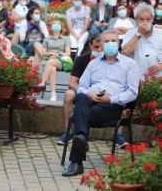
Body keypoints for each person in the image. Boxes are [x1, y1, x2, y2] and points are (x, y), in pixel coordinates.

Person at [62, 30, 140, 177]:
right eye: (106, 41)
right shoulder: (93, 64)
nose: (110, 44)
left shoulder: (130, 64)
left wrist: (111, 99)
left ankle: (76, 159)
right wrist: (89, 93)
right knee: (81, 97)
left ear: (119, 43)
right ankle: (81, 140)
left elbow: (132, 92)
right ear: (101, 44)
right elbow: (81, 86)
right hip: (91, 101)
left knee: (80, 117)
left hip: (112, 106)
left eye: (113, 41)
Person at [56, 34, 104, 145]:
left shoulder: (108, 60)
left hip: (102, 91)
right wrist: (84, 90)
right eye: (96, 47)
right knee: (69, 94)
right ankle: (67, 130)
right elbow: (72, 83)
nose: (99, 50)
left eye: (102, 47)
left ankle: (119, 135)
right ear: (90, 45)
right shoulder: (82, 59)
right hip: (83, 89)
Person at [122, 4, 162, 77]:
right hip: (137, 77)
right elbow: (125, 52)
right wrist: (138, 34)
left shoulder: (160, 34)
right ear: (136, 19)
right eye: (141, 19)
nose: (145, 22)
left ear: (153, 19)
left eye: (148, 19)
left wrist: (161, 65)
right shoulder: (130, 33)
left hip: (158, 79)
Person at [36, 20, 71, 101]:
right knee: (52, 68)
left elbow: (68, 53)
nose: (56, 25)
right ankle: (53, 94)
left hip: (61, 60)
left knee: (50, 62)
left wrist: (58, 55)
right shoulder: (47, 39)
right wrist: (51, 53)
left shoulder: (65, 38)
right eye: (54, 24)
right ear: (51, 27)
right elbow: (43, 53)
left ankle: (42, 82)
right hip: (50, 60)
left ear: (61, 27)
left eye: (58, 24)